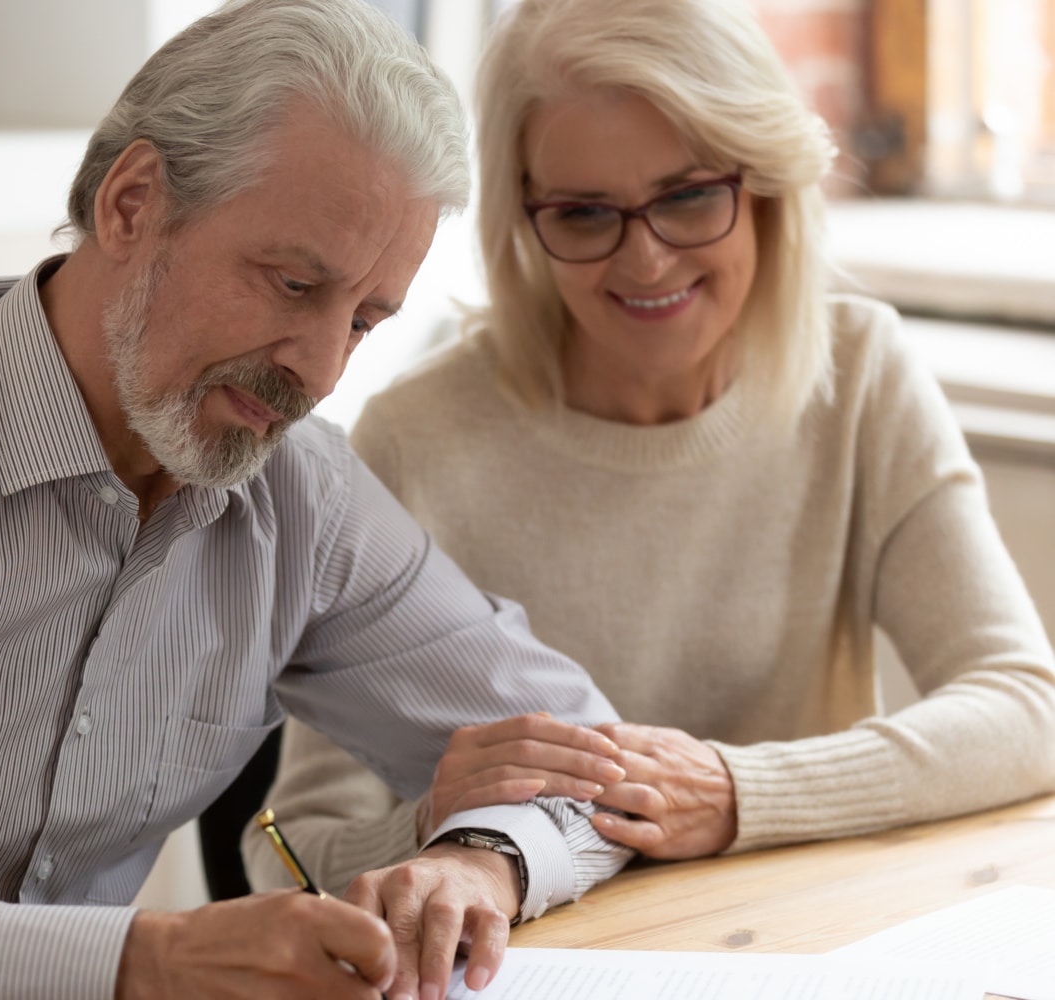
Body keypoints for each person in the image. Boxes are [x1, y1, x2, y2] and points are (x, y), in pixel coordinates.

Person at [0, 2, 639, 998]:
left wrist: (477, 860)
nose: (322, 369)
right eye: (293, 284)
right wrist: (145, 962)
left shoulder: (299, 495)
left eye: (364, 321)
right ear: (131, 204)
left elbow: (598, 766)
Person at [244, 0, 1055, 897]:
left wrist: (735, 794)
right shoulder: (417, 435)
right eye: (586, 215)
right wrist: (440, 829)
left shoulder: (860, 373)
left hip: (806, 942)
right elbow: (290, 853)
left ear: (769, 185)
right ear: (522, 216)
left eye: (689, 196)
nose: (646, 263)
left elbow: (1028, 710)